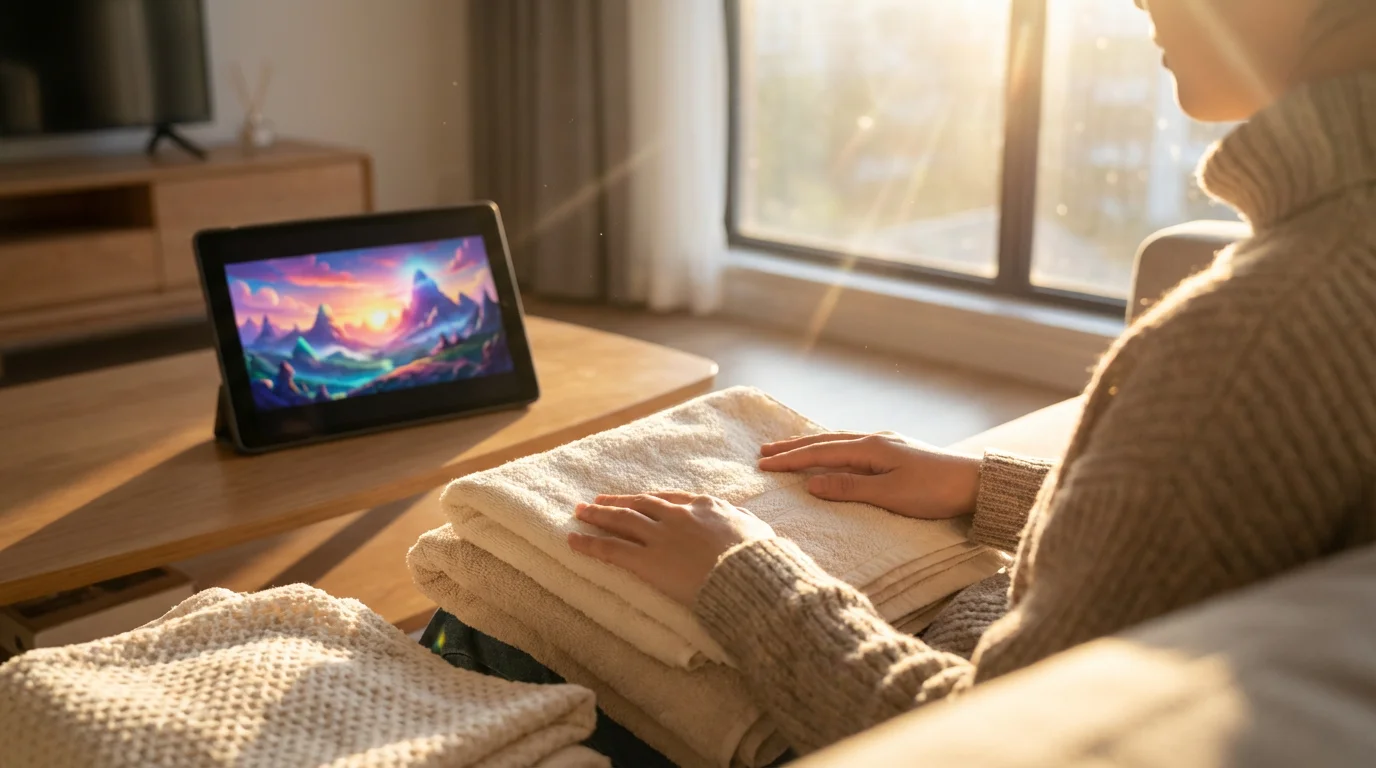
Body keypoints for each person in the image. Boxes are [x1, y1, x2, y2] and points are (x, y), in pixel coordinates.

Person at [425, 0, 1376, 761]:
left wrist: (740, 573)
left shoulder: (1256, 332)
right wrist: (983, 484)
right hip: (1012, 627)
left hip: (905, 688)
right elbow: (1243, 515)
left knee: (475, 622)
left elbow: (984, 737)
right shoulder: (1323, 283)